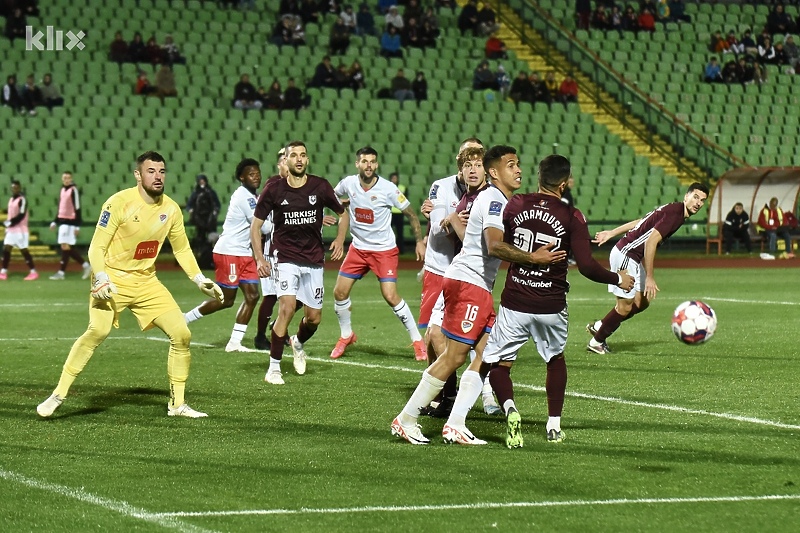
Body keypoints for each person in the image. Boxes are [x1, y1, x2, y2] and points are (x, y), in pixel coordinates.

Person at [444, 155, 634, 447]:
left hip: (516, 300)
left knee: (498, 364)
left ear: (538, 177)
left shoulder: (516, 204)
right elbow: (586, 266)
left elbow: (497, 238)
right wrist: (617, 279)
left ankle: (510, 409)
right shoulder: (573, 217)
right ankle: (554, 425)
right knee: (555, 359)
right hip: (551, 304)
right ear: (564, 183)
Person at [391, 145, 567, 445]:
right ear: (494, 172)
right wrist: (533, 258)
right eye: (511, 165)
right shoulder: (495, 201)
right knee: (455, 356)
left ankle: (456, 423)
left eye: (519, 164)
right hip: (469, 284)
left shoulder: (493, 198)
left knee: (487, 354)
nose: (518, 170)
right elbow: (493, 246)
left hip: (476, 286)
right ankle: (407, 419)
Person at [36, 151, 224, 419]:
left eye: (161, 172)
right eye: (151, 171)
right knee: (97, 332)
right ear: (138, 174)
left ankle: (177, 405)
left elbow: (182, 249)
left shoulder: (171, 209)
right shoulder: (118, 203)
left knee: (181, 334)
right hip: (111, 279)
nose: (157, 177)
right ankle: (58, 394)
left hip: (146, 280)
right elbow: (96, 247)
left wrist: (198, 279)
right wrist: (100, 277)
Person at [250, 141, 345, 385]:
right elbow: (256, 225)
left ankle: (298, 342)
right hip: (286, 258)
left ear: (307, 160)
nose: (299, 159)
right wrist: (260, 258)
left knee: (313, 318)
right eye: (294, 155)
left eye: (303, 155)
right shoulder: (274, 189)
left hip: (313, 260)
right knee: (287, 308)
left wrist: (340, 240)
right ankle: (273, 369)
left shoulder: (320, 186)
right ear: (287, 161)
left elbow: (343, 214)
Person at [586, 182, 710, 354]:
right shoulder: (675, 213)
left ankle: (601, 325)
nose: (698, 203)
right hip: (626, 255)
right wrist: (650, 276)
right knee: (624, 307)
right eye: (695, 197)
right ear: (686, 196)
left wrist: (612, 232)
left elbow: (641, 222)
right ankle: (596, 342)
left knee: (641, 302)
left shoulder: (674, 210)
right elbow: (650, 243)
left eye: (702, 200)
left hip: (633, 258)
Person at [328, 147, 426, 360]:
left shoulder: (388, 189)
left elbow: (411, 214)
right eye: (364, 161)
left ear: (377, 164)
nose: (369, 165)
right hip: (358, 248)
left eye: (372, 161)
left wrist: (419, 241)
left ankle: (418, 340)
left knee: (390, 296)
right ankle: (346, 335)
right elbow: (331, 197)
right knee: (339, 292)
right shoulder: (348, 183)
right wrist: (341, 205)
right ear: (357, 164)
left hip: (383, 251)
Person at [184, 158, 266, 352]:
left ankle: (235, 342)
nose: (256, 177)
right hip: (229, 251)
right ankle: (185, 318)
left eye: (258, 173)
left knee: (253, 296)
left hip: (244, 253)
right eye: (251, 174)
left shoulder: (254, 197)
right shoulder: (243, 196)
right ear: (241, 177)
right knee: (226, 300)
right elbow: (265, 226)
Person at [49, 172, 91, 280]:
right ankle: (84, 266)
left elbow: (77, 208)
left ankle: (62, 272)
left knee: (65, 246)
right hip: (63, 222)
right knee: (66, 247)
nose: (66, 179)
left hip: (70, 222)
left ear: (71, 179)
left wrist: (77, 226)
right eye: (64, 178)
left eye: (68, 178)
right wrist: (55, 221)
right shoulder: (62, 189)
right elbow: (61, 207)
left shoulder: (73, 190)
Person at [1, 180, 38, 281]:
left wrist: (10, 222)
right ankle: (3, 271)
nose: (15, 189)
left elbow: (21, 215)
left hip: (20, 230)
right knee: (6, 249)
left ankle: (33, 272)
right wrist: (9, 224)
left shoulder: (22, 199)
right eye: (13, 188)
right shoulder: (11, 199)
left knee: (24, 250)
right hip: (11, 230)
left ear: (20, 188)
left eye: (16, 188)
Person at [186, 174, 221, 269]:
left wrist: (214, 212)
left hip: (210, 221)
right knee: (200, 240)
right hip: (199, 221)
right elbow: (189, 205)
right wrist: (191, 211)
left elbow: (216, 204)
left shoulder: (211, 192)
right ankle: (202, 259)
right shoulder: (195, 193)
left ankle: (212, 259)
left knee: (211, 239)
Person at [388, 172, 407, 253]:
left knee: (400, 233)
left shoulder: (402, 188)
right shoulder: (387, 188)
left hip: (399, 213)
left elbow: (405, 200)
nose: (394, 180)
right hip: (390, 213)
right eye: (393, 178)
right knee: (388, 233)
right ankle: (389, 249)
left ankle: (401, 250)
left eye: (395, 178)